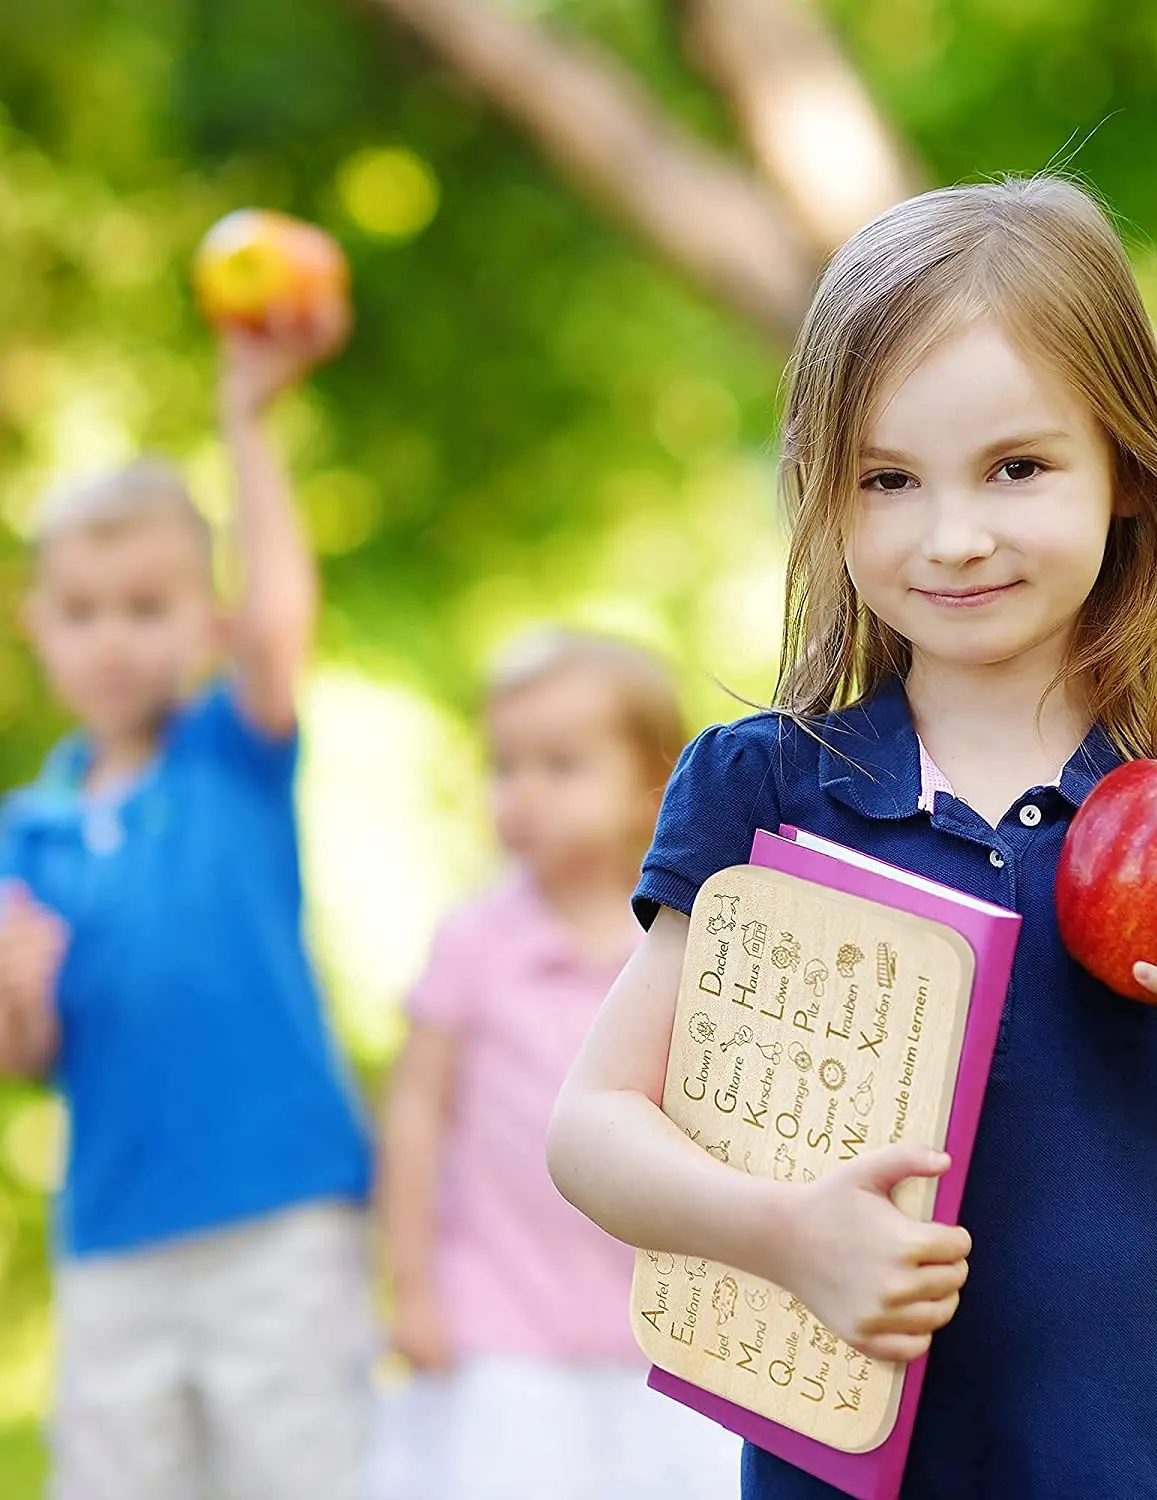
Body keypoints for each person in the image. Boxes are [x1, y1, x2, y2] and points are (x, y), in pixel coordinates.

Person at [547, 176, 1157, 1499]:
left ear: (1128, 475)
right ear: (827, 496)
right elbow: (591, 1127)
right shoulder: (767, 793)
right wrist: (784, 1235)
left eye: (1018, 468)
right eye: (890, 479)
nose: (954, 535)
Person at [0, 310, 374, 1500]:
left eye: (147, 607)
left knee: (300, 1472)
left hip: (278, 1217)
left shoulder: (228, 755)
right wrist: (14, 998)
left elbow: (279, 628)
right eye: (85, 610)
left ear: (207, 622)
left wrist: (245, 419)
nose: (113, 639)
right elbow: (30, 1057)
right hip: (117, 1235)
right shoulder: (25, 831)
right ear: (37, 626)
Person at [370, 629, 743, 1500]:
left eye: (561, 765)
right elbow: (417, 1115)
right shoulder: (474, 942)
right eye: (505, 767)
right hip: (501, 1320)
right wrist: (412, 1286)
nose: (522, 794)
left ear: (652, 789)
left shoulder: (691, 947)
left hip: (662, 1328)